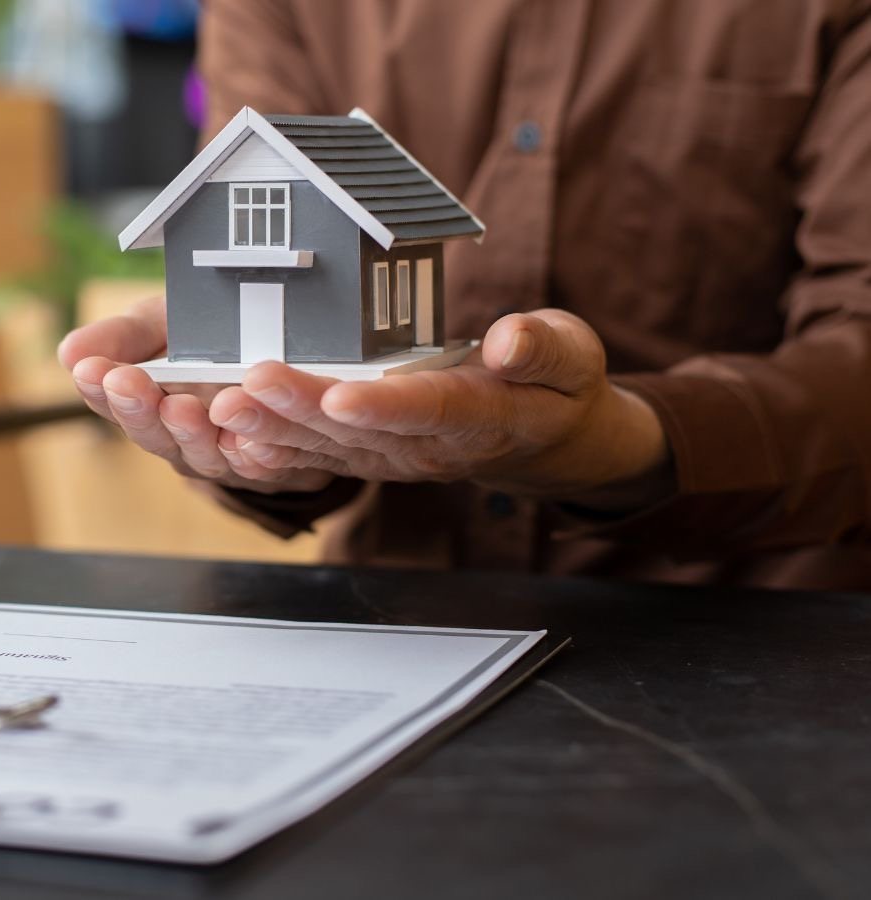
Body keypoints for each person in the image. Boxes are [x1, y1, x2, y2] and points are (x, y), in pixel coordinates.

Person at [58, 0, 871, 591]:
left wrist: (616, 444)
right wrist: (259, 436)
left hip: (755, 633)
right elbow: (256, 172)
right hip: (396, 628)